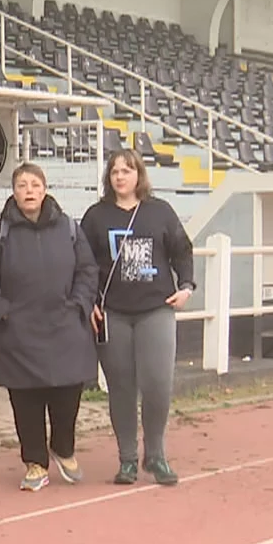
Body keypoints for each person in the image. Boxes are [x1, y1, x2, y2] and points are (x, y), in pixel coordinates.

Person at [0, 162, 100, 492]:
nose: (29, 191)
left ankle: (64, 449)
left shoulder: (70, 228)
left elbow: (87, 271)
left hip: (66, 327)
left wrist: (80, 305)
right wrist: (1, 312)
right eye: (22, 185)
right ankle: (35, 462)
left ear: (45, 189)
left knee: (68, 391)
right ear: (13, 191)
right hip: (18, 331)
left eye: (35, 185)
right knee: (26, 400)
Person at [81, 148, 195, 486]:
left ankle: (156, 454)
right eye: (114, 171)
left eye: (127, 171)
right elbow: (83, 264)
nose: (120, 177)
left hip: (156, 309)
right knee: (121, 388)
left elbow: (182, 250)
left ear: (139, 175)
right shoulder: (95, 217)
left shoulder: (159, 212)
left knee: (158, 384)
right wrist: (88, 301)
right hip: (113, 314)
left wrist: (186, 286)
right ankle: (127, 459)